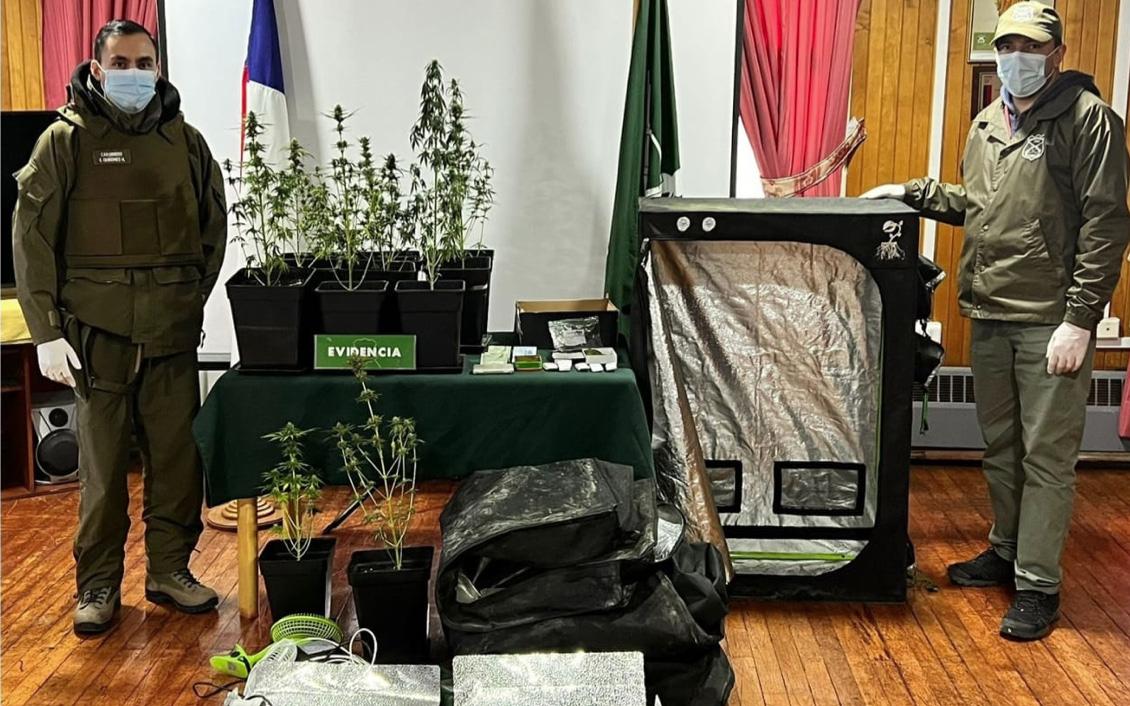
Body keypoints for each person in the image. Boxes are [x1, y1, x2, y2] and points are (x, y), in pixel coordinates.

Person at [863, 1, 1130, 641]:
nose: (1018, 57)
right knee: (1002, 450)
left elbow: (1106, 223)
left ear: (1057, 53)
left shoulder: (1088, 118)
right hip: (989, 311)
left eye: (1032, 47)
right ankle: (1007, 551)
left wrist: (1081, 319)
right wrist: (914, 193)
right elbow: (978, 203)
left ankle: (1038, 585)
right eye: (1008, 45)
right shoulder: (987, 121)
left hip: (1050, 320)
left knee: (1047, 457)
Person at [13, 19, 227, 635]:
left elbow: (212, 229)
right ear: (97, 69)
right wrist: (46, 331)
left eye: (144, 63)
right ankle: (98, 584)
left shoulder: (185, 142)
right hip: (95, 338)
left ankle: (170, 570)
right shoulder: (64, 141)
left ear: (157, 68)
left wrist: (187, 298)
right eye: (121, 64)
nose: (135, 74)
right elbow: (31, 240)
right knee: (103, 473)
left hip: (171, 333)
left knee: (178, 462)